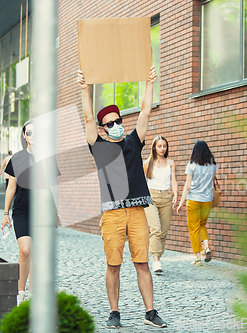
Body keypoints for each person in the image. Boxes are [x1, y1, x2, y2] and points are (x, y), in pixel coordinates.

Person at [77, 66, 167, 329]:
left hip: (138, 211)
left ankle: (150, 312)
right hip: (113, 214)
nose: (116, 125)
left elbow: (146, 111)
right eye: (111, 123)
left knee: (142, 263)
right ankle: (114, 312)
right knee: (113, 265)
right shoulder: (99, 147)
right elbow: (86, 119)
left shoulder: (133, 141)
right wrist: (85, 89)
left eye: (118, 121)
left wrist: (150, 83)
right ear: (103, 128)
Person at [1, 120, 59, 305]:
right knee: (25, 250)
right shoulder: (16, 159)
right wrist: (5, 214)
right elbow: (11, 188)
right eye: (30, 133)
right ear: (25, 136)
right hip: (22, 211)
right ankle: (20, 292)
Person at [176, 140, 218, 266]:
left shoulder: (191, 166)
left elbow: (187, 187)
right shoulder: (213, 165)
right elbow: (211, 181)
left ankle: (198, 258)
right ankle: (206, 247)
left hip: (194, 200)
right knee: (202, 224)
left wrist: (181, 203)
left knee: (194, 229)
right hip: (207, 200)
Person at [143, 136, 177, 274]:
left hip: (166, 198)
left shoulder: (171, 163)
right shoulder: (147, 163)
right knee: (155, 229)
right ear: (154, 147)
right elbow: (142, 182)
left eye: (164, 146)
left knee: (163, 231)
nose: (162, 149)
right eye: (159, 146)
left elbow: (173, 180)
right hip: (151, 197)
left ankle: (158, 256)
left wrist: (176, 194)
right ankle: (156, 260)